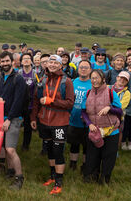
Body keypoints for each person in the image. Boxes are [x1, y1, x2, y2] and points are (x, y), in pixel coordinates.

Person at [30, 55, 74, 195]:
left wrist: (51, 101)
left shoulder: (66, 82)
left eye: (56, 62)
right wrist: (33, 117)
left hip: (60, 122)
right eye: (51, 62)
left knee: (58, 151)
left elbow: (70, 103)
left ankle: (59, 182)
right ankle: (52, 176)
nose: (53, 64)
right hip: (44, 121)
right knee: (49, 149)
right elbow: (36, 100)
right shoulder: (43, 80)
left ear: (61, 65)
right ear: (46, 64)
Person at [82, 69, 122, 184]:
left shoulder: (110, 92)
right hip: (95, 131)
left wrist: (110, 108)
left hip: (111, 131)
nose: (94, 80)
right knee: (93, 156)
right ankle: (91, 177)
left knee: (108, 157)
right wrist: (89, 124)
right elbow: (83, 112)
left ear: (103, 79)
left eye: (97, 78)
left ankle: (104, 180)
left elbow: (120, 111)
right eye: (92, 78)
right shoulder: (88, 92)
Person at [0, 51, 26, 190]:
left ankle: (19, 178)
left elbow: (19, 101)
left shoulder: (18, 79)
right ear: (0, 63)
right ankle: (10, 170)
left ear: (12, 61)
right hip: (2, 118)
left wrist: (9, 119)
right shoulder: (1, 77)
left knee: (10, 149)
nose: (5, 64)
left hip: (13, 118)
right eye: (2, 62)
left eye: (7, 61)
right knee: (6, 149)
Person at [67, 60, 92, 172]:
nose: (83, 69)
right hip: (73, 119)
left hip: (88, 122)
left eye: (86, 67)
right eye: (81, 67)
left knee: (87, 146)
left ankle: (85, 165)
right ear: (78, 69)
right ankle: (73, 163)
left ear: (90, 70)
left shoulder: (93, 83)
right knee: (74, 144)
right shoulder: (72, 82)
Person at [18, 53, 37, 151]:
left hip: (30, 105)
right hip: (20, 104)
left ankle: (25, 146)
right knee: (16, 125)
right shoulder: (18, 73)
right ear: (21, 62)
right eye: (24, 59)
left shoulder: (35, 74)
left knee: (28, 127)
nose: (26, 60)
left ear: (31, 61)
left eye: (28, 58)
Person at [108, 71, 131, 150]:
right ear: (117, 77)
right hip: (105, 116)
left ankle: (115, 150)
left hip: (119, 117)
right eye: (121, 77)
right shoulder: (107, 87)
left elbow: (121, 106)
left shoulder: (127, 93)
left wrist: (108, 107)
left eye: (125, 79)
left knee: (118, 133)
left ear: (127, 82)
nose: (122, 80)